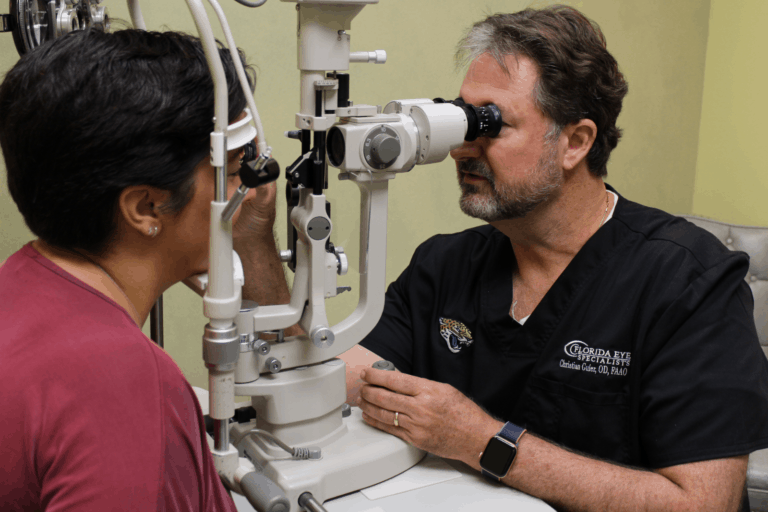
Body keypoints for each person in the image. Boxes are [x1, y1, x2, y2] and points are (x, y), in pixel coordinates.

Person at [331, 6, 768, 512]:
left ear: (575, 142)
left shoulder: (688, 282)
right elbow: (340, 377)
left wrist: (482, 440)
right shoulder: (443, 264)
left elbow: (703, 505)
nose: (461, 149)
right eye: (462, 118)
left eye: (488, 124)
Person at [0, 29, 277, 511]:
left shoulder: (18, 285)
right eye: (233, 170)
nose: (246, 192)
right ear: (147, 207)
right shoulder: (120, 382)